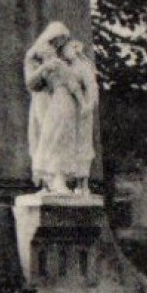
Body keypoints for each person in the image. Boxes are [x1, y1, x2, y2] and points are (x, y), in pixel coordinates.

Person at [25, 22, 96, 194]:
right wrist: (44, 68)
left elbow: (73, 83)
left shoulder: (63, 59)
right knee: (44, 137)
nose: (58, 45)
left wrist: (84, 102)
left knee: (58, 137)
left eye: (62, 41)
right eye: (56, 40)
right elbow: (31, 84)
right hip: (42, 100)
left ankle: (57, 179)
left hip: (60, 100)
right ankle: (47, 182)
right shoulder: (33, 56)